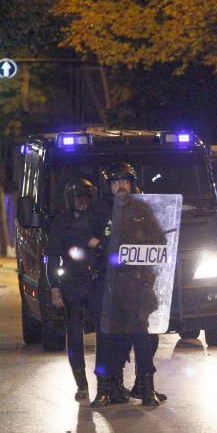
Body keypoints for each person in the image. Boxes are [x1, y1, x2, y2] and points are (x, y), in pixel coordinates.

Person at [92, 162, 168, 408]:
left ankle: (147, 389)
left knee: (141, 337)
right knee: (107, 338)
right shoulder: (99, 211)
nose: (120, 186)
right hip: (108, 284)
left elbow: (160, 242)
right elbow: (83, 240)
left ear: (132, 183)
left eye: (124, 181)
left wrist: (146, 251)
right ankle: (106, 389)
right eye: (115, 183)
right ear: (108, 187)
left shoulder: (141, 209)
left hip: (136, 285)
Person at [45, 178, 105, 401]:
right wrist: (54, 287)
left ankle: (105, 382)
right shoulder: (61, 221)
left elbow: (109, 243)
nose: (82, 202)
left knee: (105, 332)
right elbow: (53, 256)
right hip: (72, 282)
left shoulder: (99, 217)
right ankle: (81, 383)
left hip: (97, 281)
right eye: (78, 197)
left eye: (86, 197)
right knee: (74, 335)